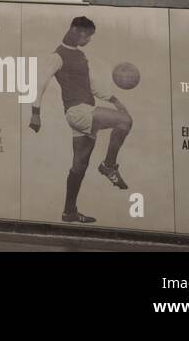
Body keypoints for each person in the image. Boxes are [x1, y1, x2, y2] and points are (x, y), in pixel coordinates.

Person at [29, 17, 133, 223]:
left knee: (79, 166)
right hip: (78, 112)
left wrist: (114, 99)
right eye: (88, 35)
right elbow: (40, 82)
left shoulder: (80, 56)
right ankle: (109, 165)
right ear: (76, 30)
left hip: (86, 110)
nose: (89, 40)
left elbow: (90, 83)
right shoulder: (58, 56)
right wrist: (36, 112)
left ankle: (69, 212)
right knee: (125, 121)